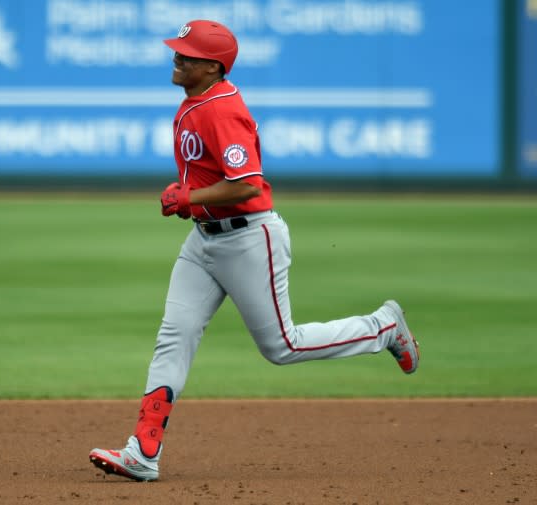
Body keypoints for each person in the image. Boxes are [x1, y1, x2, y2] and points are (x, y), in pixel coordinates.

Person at [89, 20, 420, 481]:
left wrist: (189, 198)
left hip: (249, 238)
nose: (176, 57)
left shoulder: (221, 110)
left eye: (187, 54)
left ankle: (381, 328)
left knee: (283, 347)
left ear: (211, 66)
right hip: (204, 240)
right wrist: (193, 199)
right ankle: (143, 451)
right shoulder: (196, 101)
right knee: (175, 334)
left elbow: (248, 184)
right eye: (178, 50)